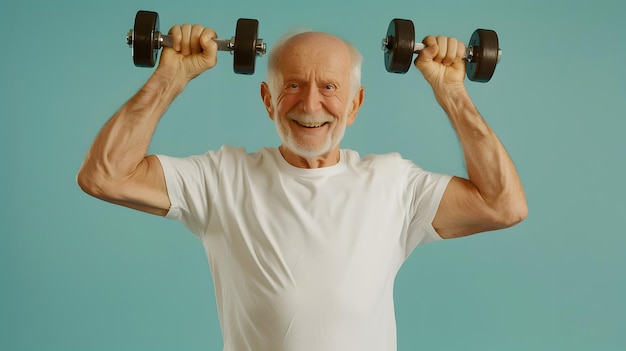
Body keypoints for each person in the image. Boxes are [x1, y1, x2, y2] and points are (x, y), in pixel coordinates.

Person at [77, 23, 527, 351]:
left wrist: (452, 91)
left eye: (329, 87)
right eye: (293, 85)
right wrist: (169, 76)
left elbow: (503, 205)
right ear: (268, 99)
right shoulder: (221, 179)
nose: (311, 103)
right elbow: (106, 175)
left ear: (355, 105)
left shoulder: (394, 184)